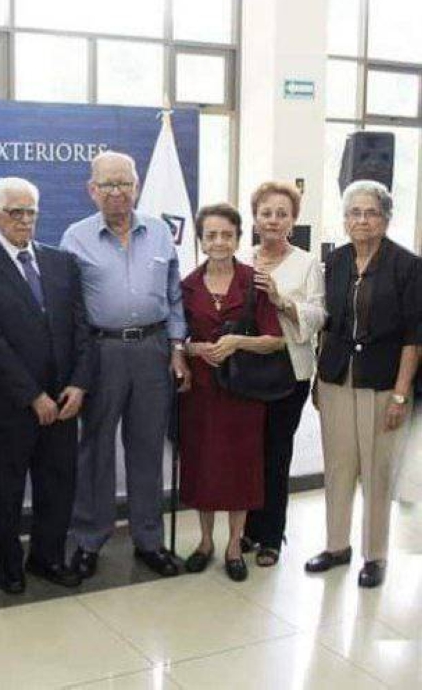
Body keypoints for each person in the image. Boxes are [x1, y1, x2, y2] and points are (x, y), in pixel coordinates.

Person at [60, 150, 190, 580]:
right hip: (101, 353)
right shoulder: (74, 238)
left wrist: (176, 349)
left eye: (125, 183)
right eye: (108, 184)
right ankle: (88, 540)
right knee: (95, 449)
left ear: (136, 187)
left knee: (148, 447)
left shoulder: (159, 233)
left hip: (153, 350)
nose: (117, 192)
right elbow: (69, 310)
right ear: (91, 190)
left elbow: (174, 298)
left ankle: (149, 539)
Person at [0, 177, 95, 594]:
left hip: (64, 402)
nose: (24, 220)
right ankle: (10, 566)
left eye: (30, 212)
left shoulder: (62, 264)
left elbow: (81, 329)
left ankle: (47, 557)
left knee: (57, 485)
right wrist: (32, 396)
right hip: (12, 407)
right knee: (8, 489)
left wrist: (78, 385)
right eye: (14, 212)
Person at [307, 180, 421, 588]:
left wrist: (401, 393)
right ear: (345, 219)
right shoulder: (335, 262)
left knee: (377, 469)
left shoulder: (407, 266)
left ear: (386, 219)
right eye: (354, 212)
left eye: (370, 212)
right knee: (339, 466)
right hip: (337, 376)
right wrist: (319, 380)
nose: (361, 220)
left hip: (383, 380)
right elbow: (326, 325)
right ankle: (337, 546)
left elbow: (414, 336)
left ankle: (376, 555)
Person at [179, 204, 286, 582]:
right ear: (201, 239)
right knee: (203, 467)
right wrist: (192, 350)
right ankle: (206, 542)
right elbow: (178, 338)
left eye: (227, 234)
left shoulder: (253, 281)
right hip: (201, 393)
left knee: (241, 469)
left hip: (243, 392)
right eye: (211, 235)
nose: (219, 241)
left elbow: (275, 341)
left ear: (239, 238)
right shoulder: (187, 284)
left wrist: (238, 341)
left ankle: (234, 544)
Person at [241, 182, 326, 567]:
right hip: (246, 373)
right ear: (255, 218)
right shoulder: (242, 259)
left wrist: (280, 300)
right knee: (247, 453)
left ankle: (272, 535)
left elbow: (318, 316)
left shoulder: (307, 263)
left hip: (289, 372)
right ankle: (248, 529)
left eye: (282, 213)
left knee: (276, 454)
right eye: (266, 213)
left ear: (292, 220)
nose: (273, 220)